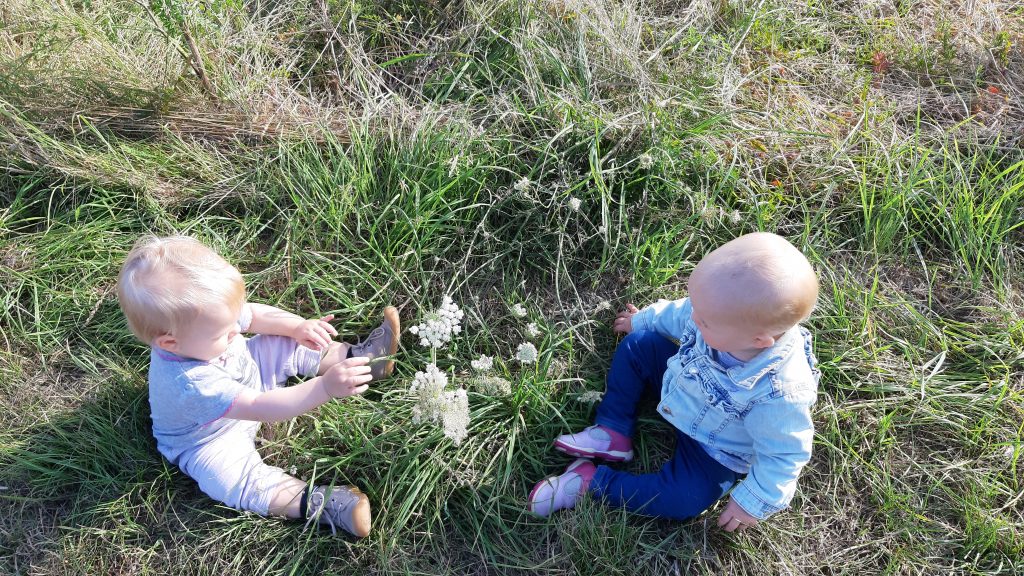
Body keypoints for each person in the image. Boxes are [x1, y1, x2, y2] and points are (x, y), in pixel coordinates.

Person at [528, 232, 820, 532]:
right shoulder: (713, 314)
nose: (693, 317)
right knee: (640, 344)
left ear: (758, 340)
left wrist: (754, 500)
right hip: (681, 386)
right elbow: (677, 313)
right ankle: (612, 428)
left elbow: (784, 454)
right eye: (695, 306)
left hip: (715, 449)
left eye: (703, 320)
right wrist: (642, 321)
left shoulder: (780, 393)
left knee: (685, 499)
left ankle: (592, 483)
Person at [116, 235, 400, 537]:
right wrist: (325, 388)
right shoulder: (191, 384)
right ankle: (317, 502)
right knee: (231, 480)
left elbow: (254, 316)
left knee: (282, 343)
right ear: (170, 343)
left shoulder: (205, 322)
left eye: (232, 324)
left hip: (247, 371)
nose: (234, 332)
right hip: (210, 438)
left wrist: (297, 327)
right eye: (223, 334)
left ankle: (362, 359)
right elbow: (261, 408)